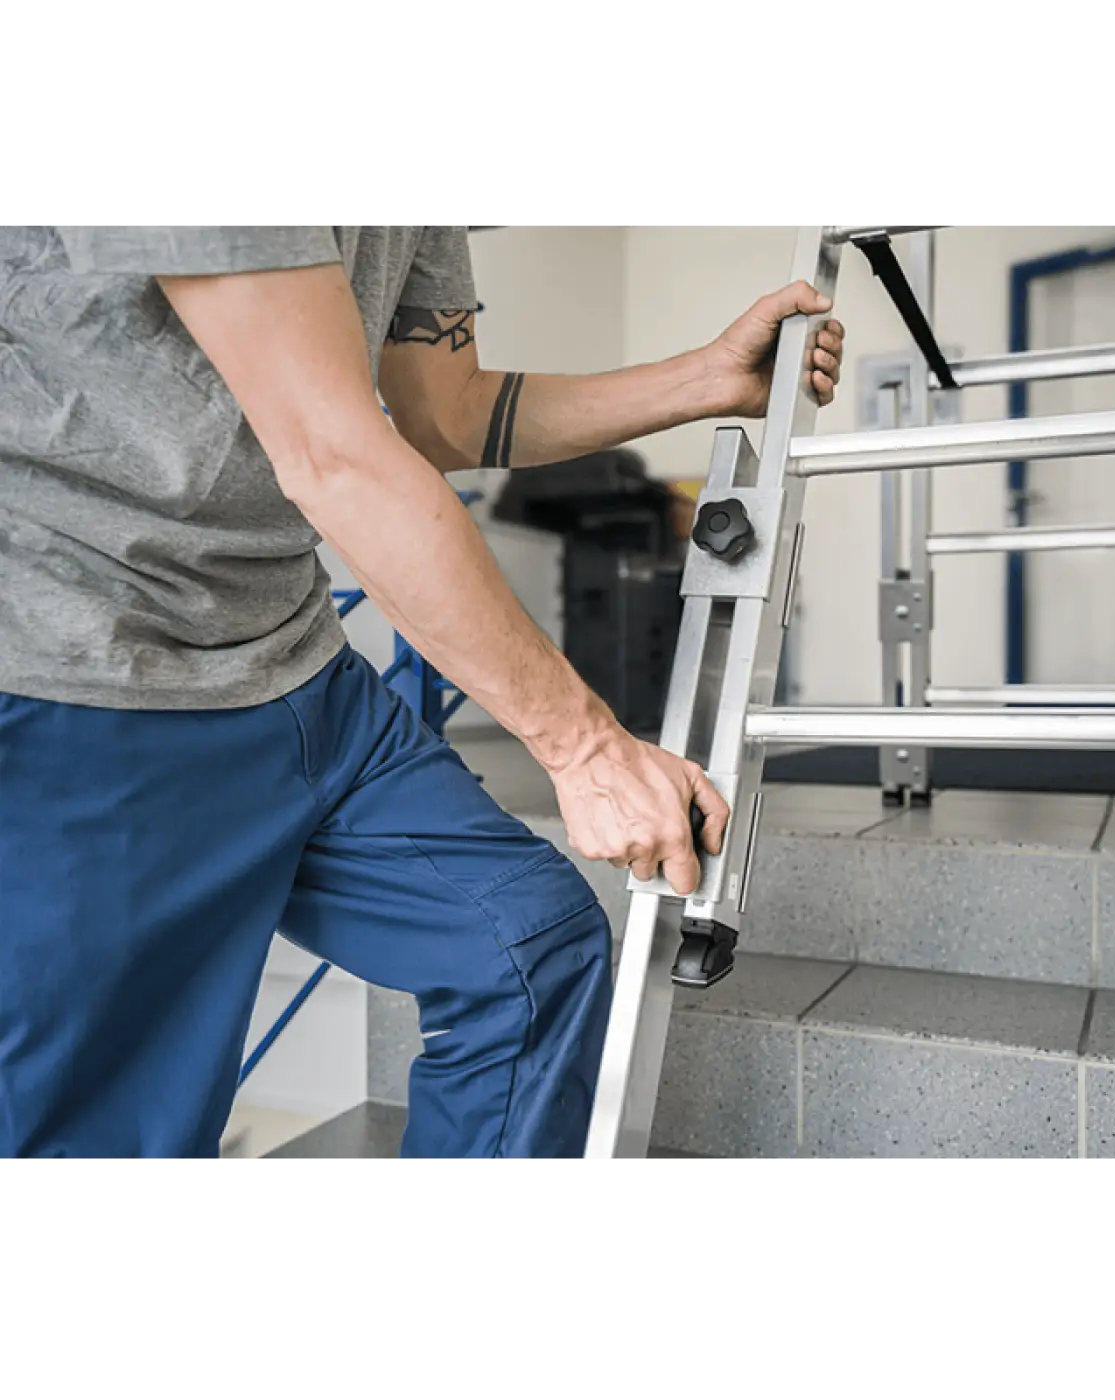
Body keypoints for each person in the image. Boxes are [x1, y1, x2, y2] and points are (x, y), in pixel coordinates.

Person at [0, 223, 847, 1161]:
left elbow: (446, 414)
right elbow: (335, 454)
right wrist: (586, 746)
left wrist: (704, 382)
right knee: (110, 1127)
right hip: (82, 673)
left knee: (531, 949)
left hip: (293, 665)